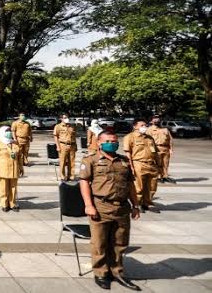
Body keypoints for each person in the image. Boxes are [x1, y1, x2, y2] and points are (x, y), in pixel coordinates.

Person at [80, 131, 141, 291]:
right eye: (108, 141)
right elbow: (84, 182)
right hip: (101, 206)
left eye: (114, 141)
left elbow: (130, 186)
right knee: (99, 242)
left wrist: (135, 205)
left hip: (122, 207)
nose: (112, 143)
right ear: (99, 143)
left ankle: (117, 271)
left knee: (120, 242)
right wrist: (88, 205)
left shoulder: (124, 161)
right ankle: (100, 272)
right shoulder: (91, 160)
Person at [123, 119, 161, 212]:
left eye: (145, 125)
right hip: (138, 164)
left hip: (152, 165)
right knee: (138, 187)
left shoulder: (149, 138)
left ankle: (147, 203)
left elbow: (155, 152)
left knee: (152, 187)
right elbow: (128, 153)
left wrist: (159, 165)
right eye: (142, 125)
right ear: (135, 126)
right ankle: (137, 204)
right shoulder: (129, 137)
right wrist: (131, 166)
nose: (145, 127)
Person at [0, 126, 23, 212]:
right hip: (3, 169)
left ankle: (12, 204)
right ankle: (4, 204)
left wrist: (21, 168)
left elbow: (20, 157)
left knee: (13, 188)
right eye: (7, 131)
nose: (9, 132)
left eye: (9, 131)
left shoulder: (15, 143)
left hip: (14, 168)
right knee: (3, 187)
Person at [147, 115, 175, 183]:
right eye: (155, 118)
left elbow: (170, 140)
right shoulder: (149, 130)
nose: (157, 120)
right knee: (157, 163)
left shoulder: (165, 129)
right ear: (152, 121)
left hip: (165, 148)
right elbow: (148, 141)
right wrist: (152, 151)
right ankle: (159, 177)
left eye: (158, 118)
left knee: (166, 163)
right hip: (156, 148)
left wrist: (171, 149)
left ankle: (165, 176)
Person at [53, 113, 77, 181]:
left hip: (72, 145)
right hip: (63, 145)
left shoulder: (72, 126)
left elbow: (74, 136)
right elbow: (56, 137)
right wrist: (57, 146)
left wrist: (76, 145)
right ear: (61, 119)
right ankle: (62, 176)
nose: (67, 119)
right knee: (62, 161)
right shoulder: (58, 126)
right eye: (65, 117)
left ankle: (71, 176)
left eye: (67, 117)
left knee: (72, 162)